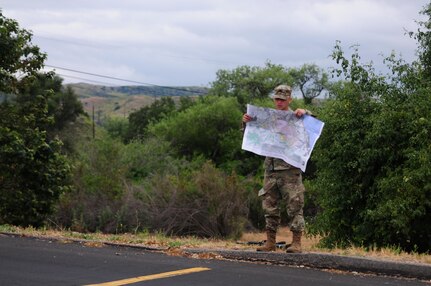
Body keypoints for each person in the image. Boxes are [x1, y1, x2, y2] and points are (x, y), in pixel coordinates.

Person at [242, 84, 310, 253]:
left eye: (283, 99)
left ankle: (296, 243)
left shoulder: (296, 117)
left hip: (289, 169)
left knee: (295, 205)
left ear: (289, 100)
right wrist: (246, 124)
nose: (279, 102)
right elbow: (252, 135)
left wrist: (305, 112)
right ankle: (271, 242)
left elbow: (312, 125)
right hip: (271, 168)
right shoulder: (268, 118)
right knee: (269, 206)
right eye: (277, 99)